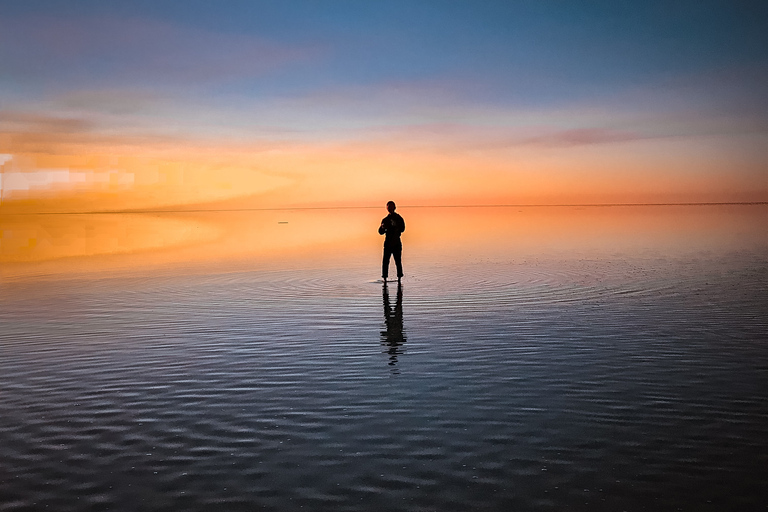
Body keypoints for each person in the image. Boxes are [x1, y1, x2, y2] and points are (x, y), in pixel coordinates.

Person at [378, 200, 405, 281]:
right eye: (388, 207)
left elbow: (403, 229)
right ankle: (385, 279)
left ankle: (399, 279)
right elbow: (380, 232)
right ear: (387, 208)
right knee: (385, 262)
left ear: (395, 207)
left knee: (398, 262)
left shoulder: (399, 218)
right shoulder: (385, 220)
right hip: (388, 244)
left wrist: (395, 229)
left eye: (391, 207)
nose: (390, 208)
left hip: (396, 243)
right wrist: (382, 228)